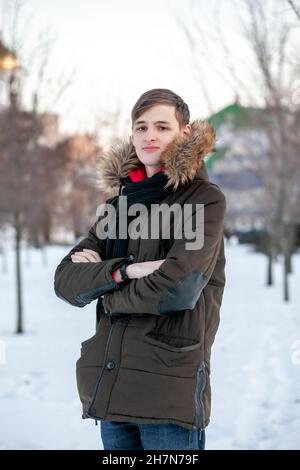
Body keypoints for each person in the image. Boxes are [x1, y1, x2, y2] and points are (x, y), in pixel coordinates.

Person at [54, 88, 226, 451]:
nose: (150, 136)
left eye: (162, 127)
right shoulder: (118, 205)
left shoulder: (203, 199)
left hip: (167, 392)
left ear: (184, 132)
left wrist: (105, 290)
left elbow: (177, 289)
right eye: (141, 127)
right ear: (131, 135)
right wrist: (125, 272)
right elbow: (66, 280)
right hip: (111, 389)